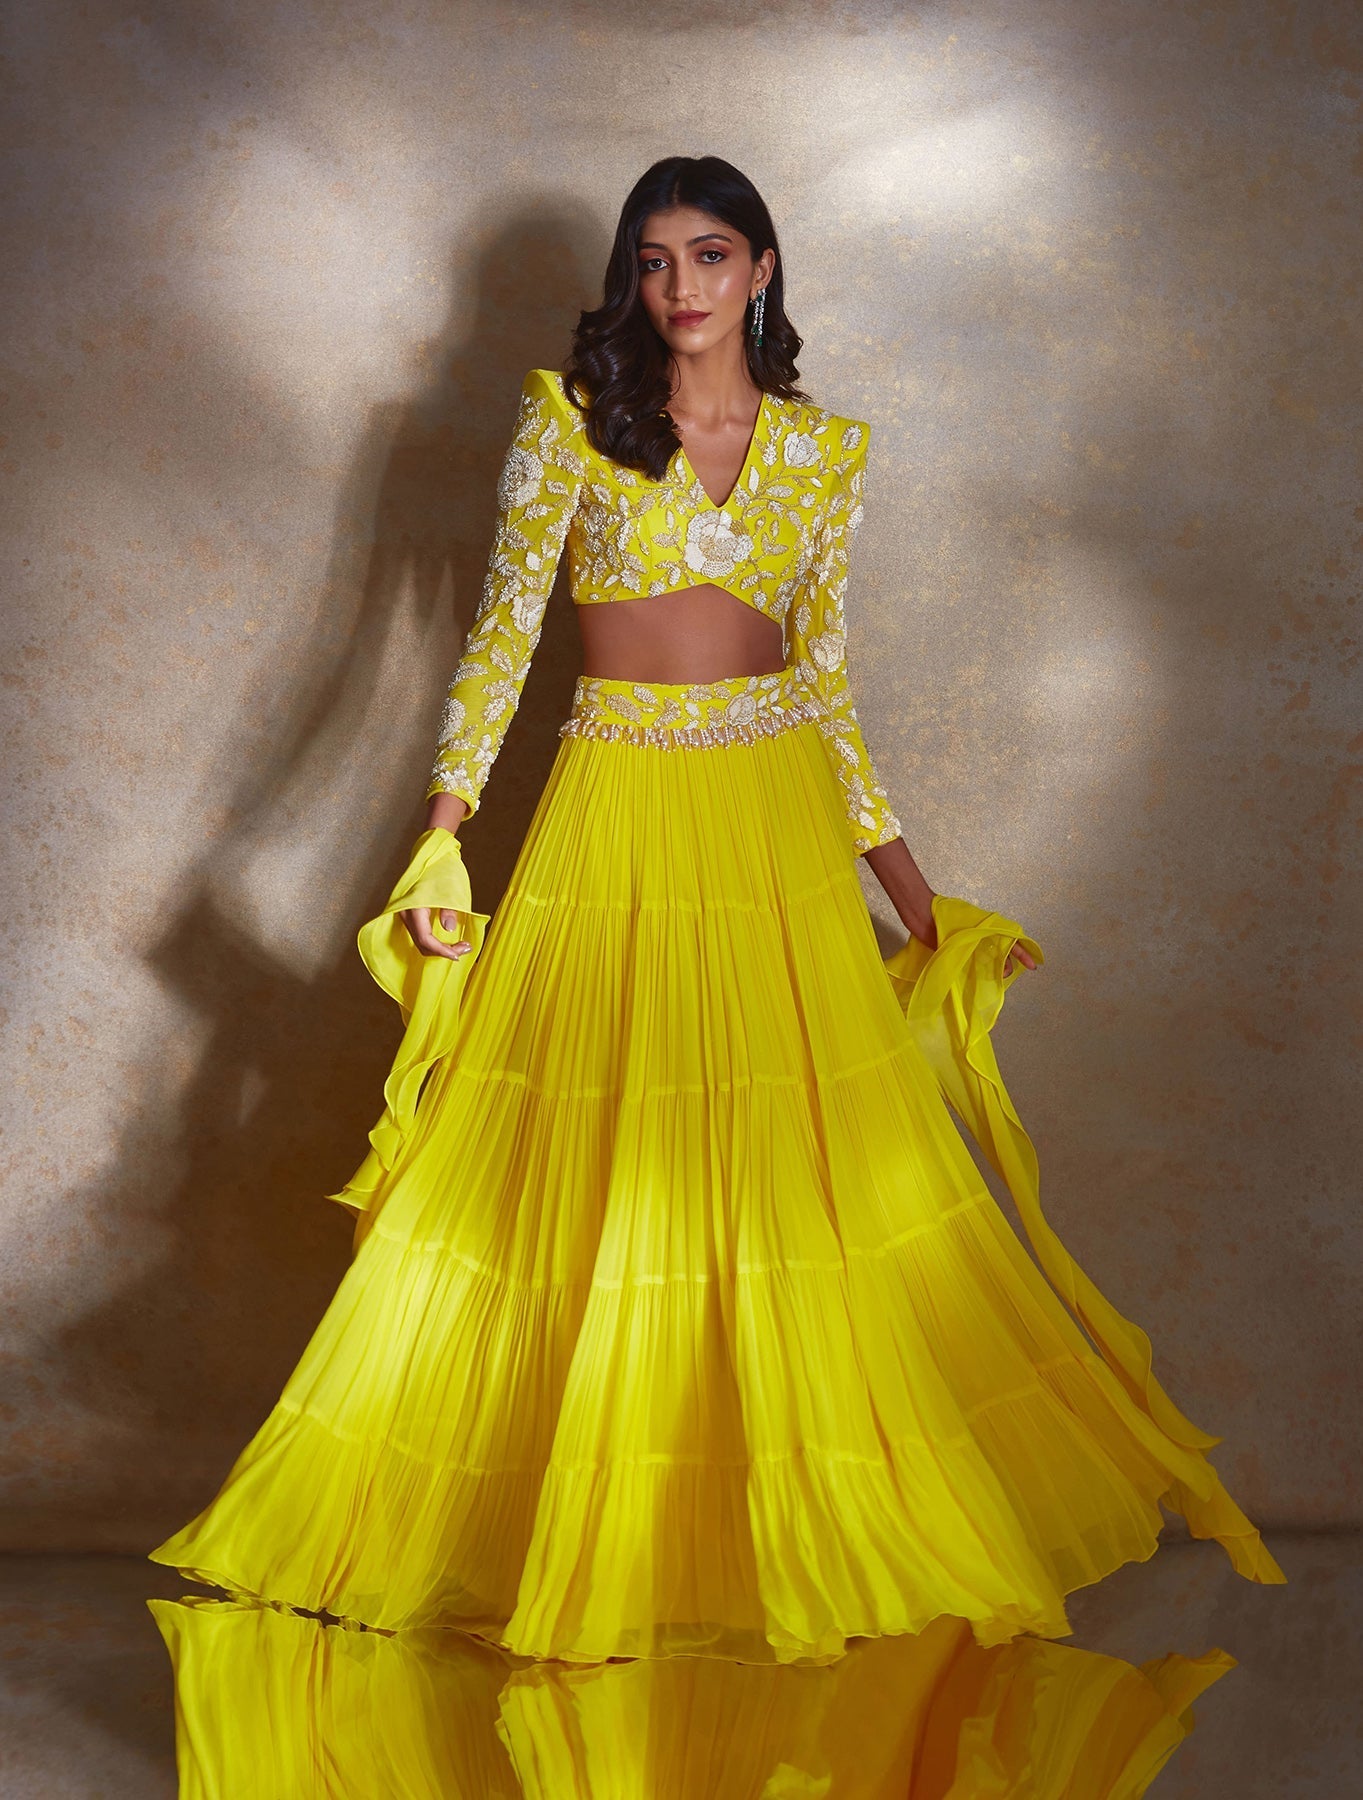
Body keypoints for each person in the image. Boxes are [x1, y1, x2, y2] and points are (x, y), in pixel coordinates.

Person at [148, 155, 1284, 1667]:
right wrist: (441, 847)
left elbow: (825, 686)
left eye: (708, 255)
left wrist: (919, 901)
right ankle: (600, 1528)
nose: (678, 287)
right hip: (614, 806)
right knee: (597, 1177)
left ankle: (782, 1534)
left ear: (762, 269)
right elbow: (492, 648)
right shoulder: (568, 423)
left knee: (786, 1185)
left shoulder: (826, 453)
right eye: (652, 259)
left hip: (774, 829)